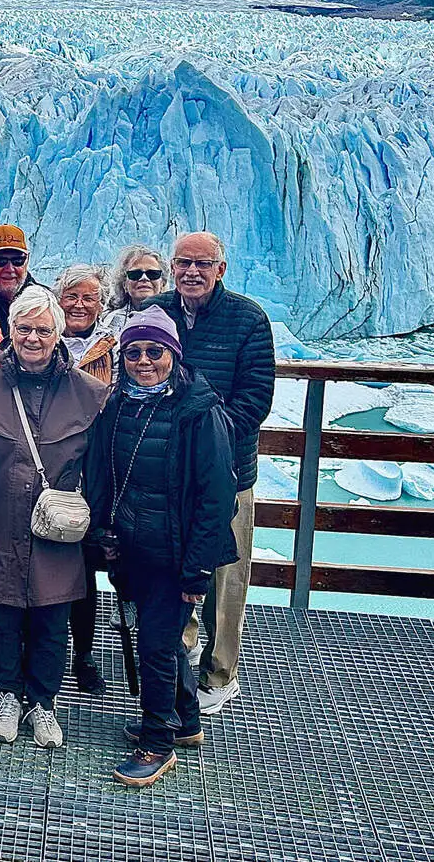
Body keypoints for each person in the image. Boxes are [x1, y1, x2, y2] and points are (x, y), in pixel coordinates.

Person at [84, 306, 238, 787]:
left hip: (176, 553)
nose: (144, 361)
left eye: (155, 351)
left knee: (154, 645)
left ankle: (157, 742)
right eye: (134, 352)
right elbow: (104, 475)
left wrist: (197, 572)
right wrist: (103, 533)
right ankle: (186, 721)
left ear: (173, 353)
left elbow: (216, 499)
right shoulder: (119, 403)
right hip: (134, 547)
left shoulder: (199, 411)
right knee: (165, 641)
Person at [0, 286, 108, 748]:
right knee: (1, 612)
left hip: (58, 525)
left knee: (53, 615)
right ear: (10, 332)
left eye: (43, 330)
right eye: (24, 329)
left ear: (59, 333)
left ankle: (43, 702)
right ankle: (7, 694)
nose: (32, 338)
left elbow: (102, 465)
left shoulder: (91, 393)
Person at [153, 232, 274, 716]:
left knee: (227, 574)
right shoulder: (159, 311)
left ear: (220, 269)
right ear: (172, 267)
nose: (192, 272)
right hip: (168, 473)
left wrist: (207, 441)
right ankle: (178, 658)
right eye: (183, 263)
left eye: (203, 263)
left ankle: (221, 672)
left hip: (229, 472)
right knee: (175, 564)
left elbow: (255, 397)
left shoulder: (248, 319)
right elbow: (138, 375)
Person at [53, 263, 118, 697]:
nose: (79, 305)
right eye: (71, 297)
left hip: (97, 467)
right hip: (50, 465)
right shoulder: (42, 340)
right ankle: (45, 650)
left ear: (103, 303)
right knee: (47, 560)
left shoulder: (114, 347)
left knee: (85, 565)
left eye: (88, 298)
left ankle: (83, 654)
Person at [105, 245, 169, 334]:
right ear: (124, 284)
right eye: (135, 274)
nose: (144, 278)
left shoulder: (175, 318)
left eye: (153, 274)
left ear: (162, 284)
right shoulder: (111, 321)